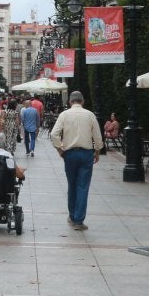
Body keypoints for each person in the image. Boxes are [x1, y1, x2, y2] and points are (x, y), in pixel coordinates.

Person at [51, 90, 103, 230]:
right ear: (83, 101)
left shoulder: (64, 114)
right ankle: (78, 220)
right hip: (86, 154)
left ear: (70, 102)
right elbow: (97, 137)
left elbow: (54, 134)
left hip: (70, 154)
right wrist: (97, 151)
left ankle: (72, 215)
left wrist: (59, 149)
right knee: (82, 187)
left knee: (72, 185)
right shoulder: (90, 115)